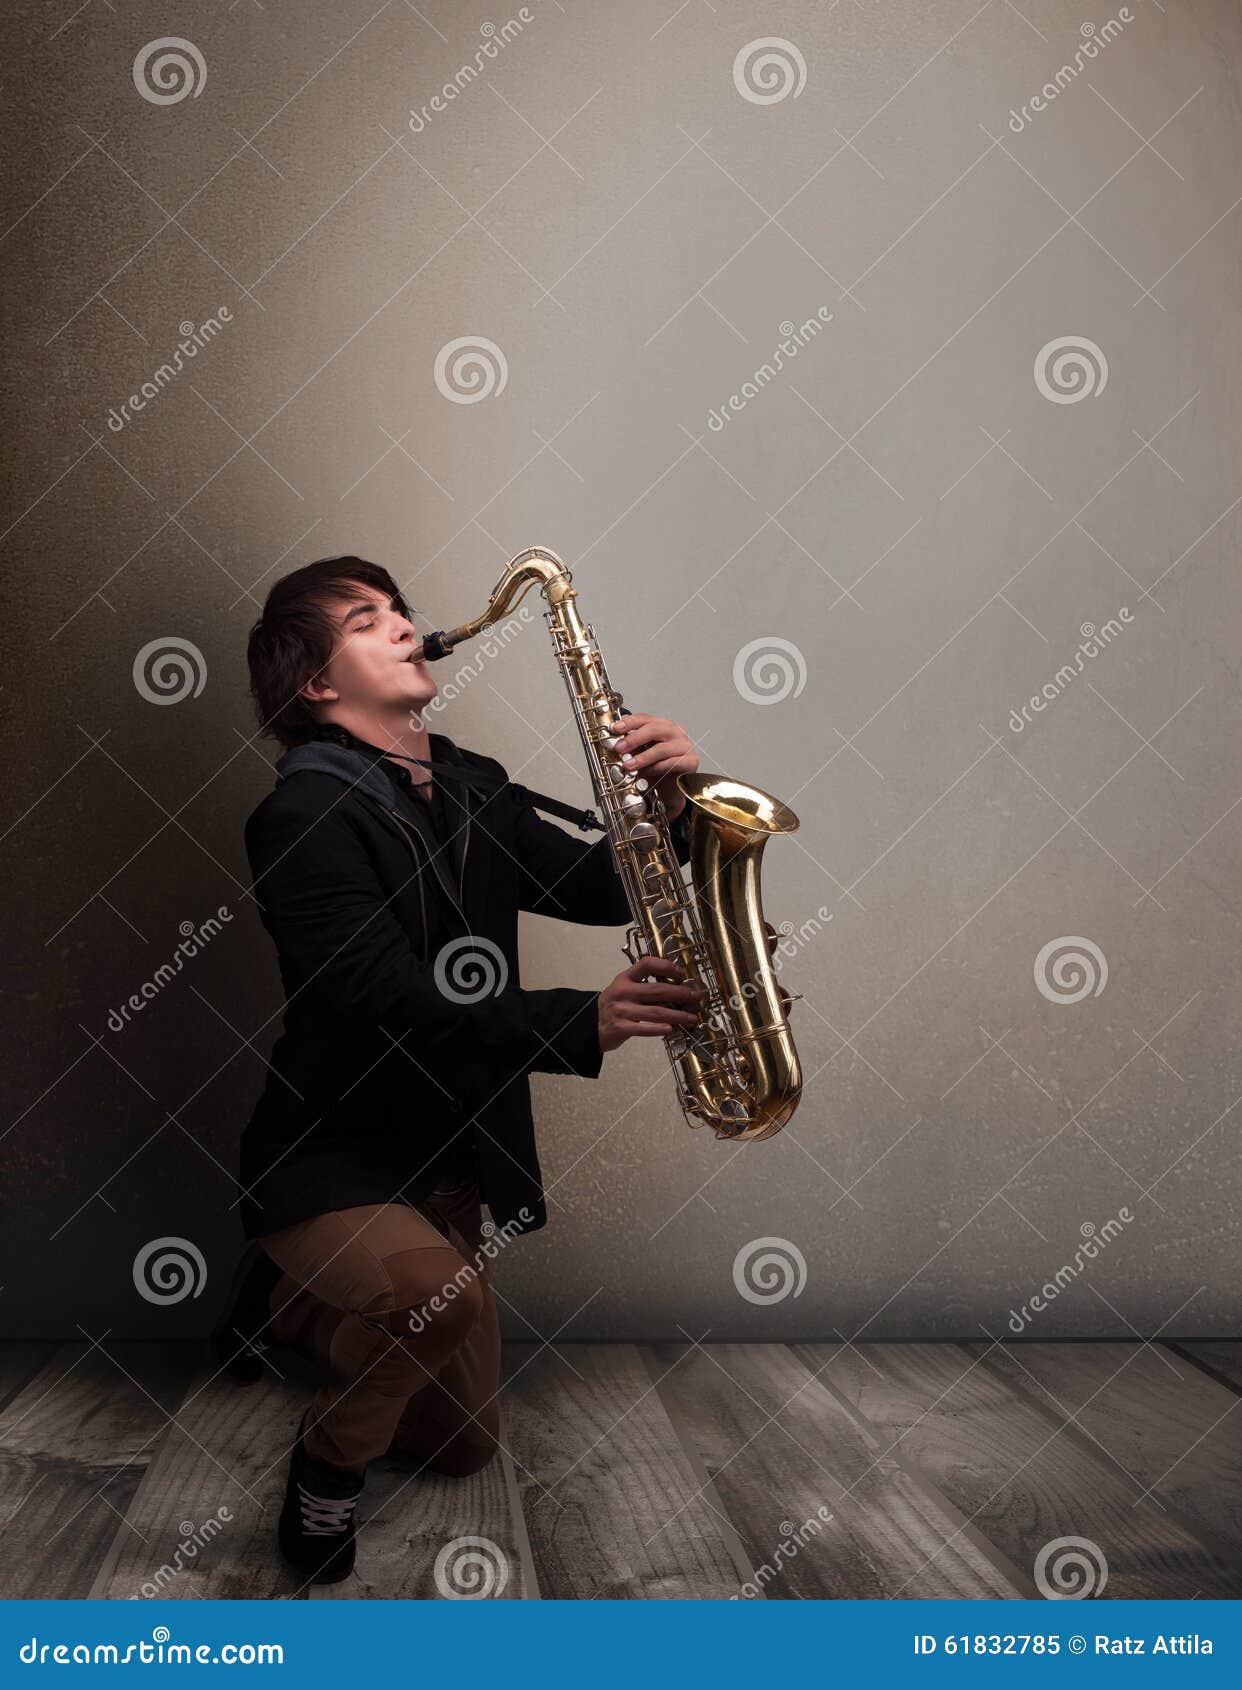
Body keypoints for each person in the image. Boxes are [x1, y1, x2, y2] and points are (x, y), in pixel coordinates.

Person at [217, 554, 702, 1584]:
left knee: (464, 1446)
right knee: (433, 1299)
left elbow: (599, 888)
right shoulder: (300, 816)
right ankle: (325, 1466)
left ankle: (292, 1307)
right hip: (332, 1161)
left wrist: (671, 804)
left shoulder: (468, 780)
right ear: (316, 682)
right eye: (365, 620)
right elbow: (382, 995)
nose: (404, 624)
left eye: (398, 608)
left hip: (448, 1166)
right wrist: (583, 1019)